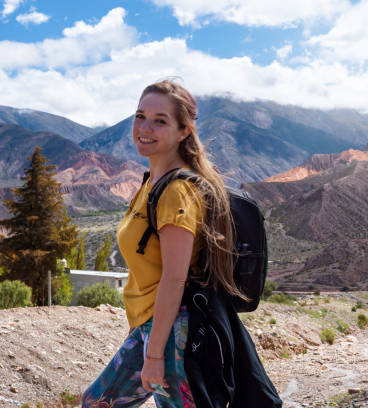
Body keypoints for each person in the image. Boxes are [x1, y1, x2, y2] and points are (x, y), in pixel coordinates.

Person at [82, 79, 250, 407]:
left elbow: (175, 278)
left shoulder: (176, 191)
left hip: (173, 335)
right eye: (140, 116)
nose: (145, 127)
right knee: (98, 402)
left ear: (183, 131)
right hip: (152, 327)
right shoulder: (153, 182)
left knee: (98, 403)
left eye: (160, 121)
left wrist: (155, 354)